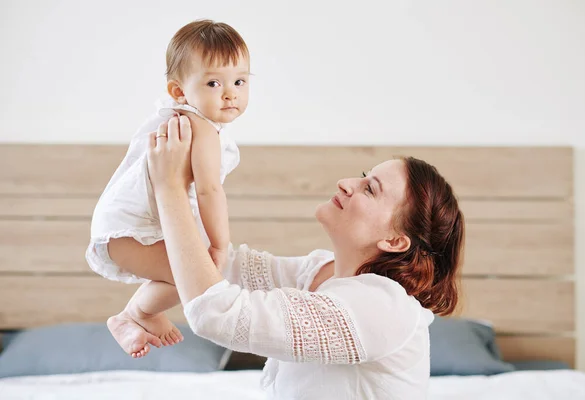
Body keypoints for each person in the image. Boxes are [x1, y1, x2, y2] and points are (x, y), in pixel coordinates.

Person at [135, 116, 465, 399]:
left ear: (394, 240)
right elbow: (220, 265)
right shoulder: (322, 271)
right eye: (363, 175)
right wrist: (191, 179)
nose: (346, 183)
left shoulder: (384, 307)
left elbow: (218, 314)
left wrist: (171, 191)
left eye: (369, 189)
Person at [84, 20, 251, 356]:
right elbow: (209, 192)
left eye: (239, 81)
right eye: (214, 82)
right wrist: (219, 243)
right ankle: (137, 313)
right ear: (179, 91)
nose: (230, 92)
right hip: (133, 228)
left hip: (125, 226)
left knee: (193, 275)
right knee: (203, 275)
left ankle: (137, 313)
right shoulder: (198, 127)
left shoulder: (183, 119)